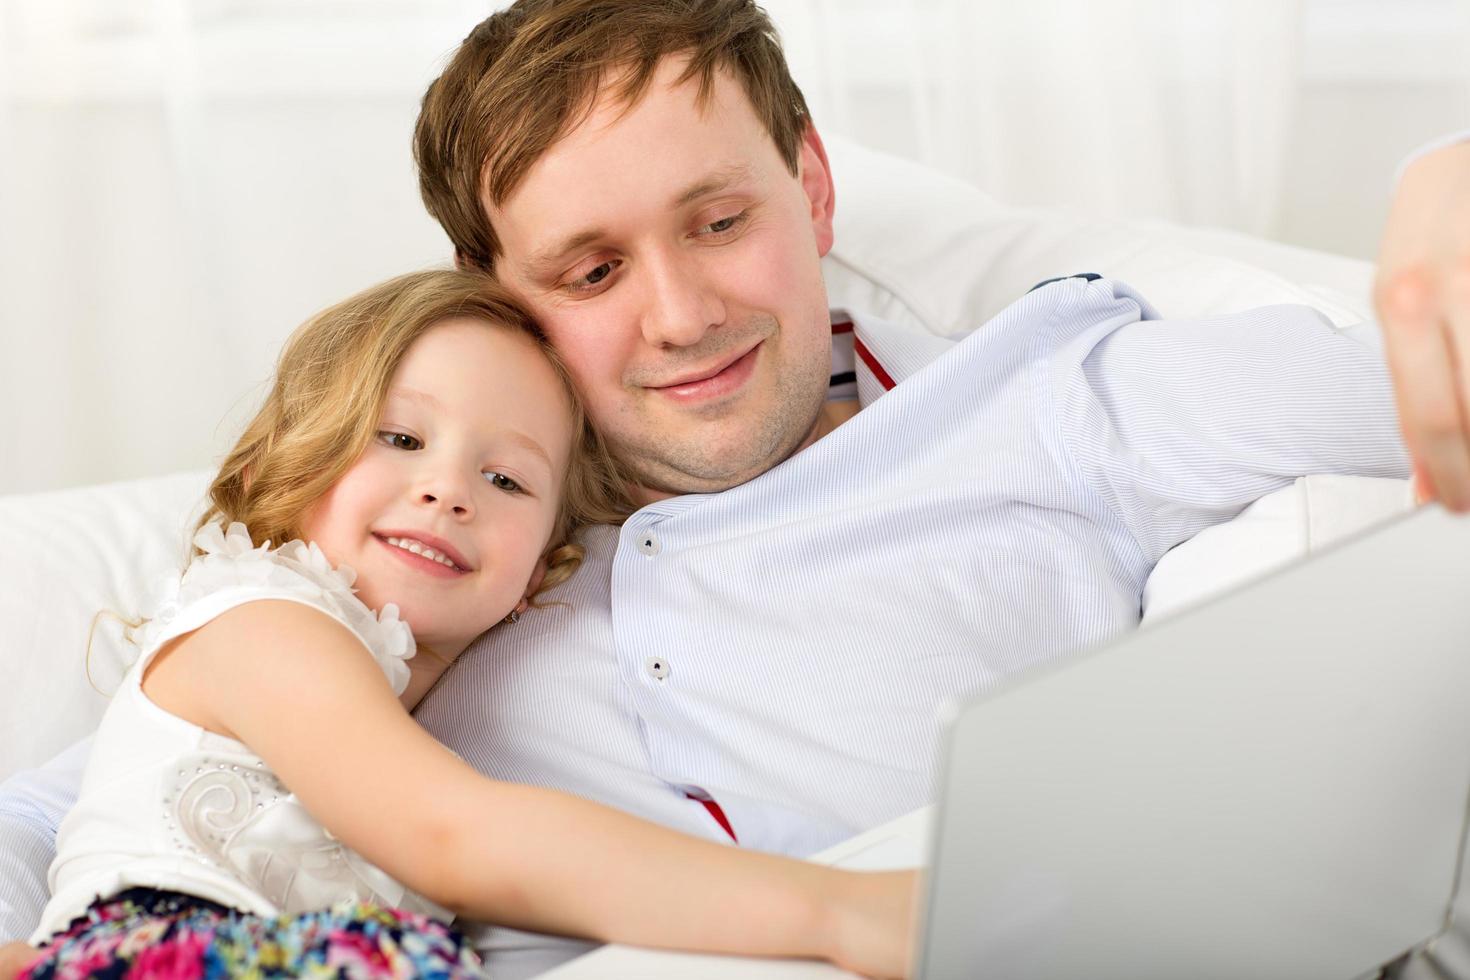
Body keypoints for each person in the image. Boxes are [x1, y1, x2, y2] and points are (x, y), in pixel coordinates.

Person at [1, 1, 1467, 976]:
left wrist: (1439, 179)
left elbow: (1402, 353)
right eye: (588, 271)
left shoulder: (1052, 400)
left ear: (812, 187)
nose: (682, 313)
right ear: (495, 297)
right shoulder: (436, 557)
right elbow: (104, 816)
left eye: (720, 221)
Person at [5, 269, 914, 980]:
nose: (447, 490)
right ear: (287, 464)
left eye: (508, 480)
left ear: (541, 571)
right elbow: (456, 835)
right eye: (400, 439)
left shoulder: (426, 705)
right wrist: (831, 910)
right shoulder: (261, 622)